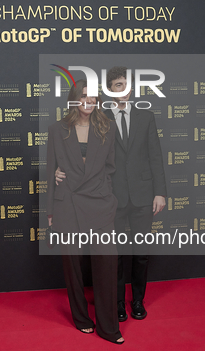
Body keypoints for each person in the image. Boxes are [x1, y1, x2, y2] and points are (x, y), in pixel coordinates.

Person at [56, 66, 167, 323]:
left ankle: (137, 300)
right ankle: (116, 302)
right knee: (113, 255)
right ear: (109, 89)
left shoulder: (146, 117)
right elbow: (81, 154)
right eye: (118, 85)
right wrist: (58, 172)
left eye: (127, 85)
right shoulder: (98, 117)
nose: (124, 90)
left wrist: (159, 193)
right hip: (110, 198)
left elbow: (156, 157)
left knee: (140, 253)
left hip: (142, 196)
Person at [46, 79, 124, 345]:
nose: (89, 102)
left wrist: (106, 193)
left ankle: (109, 327)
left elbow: (111, 167)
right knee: (73, 268)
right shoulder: (58, 129)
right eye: (84, 97)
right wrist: (50, 209)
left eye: (93, 98)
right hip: (67, 203)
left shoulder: (107, 127)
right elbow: (50, 169)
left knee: (106, 263)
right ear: (73, 99)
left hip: (99, 202)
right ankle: (81, 318)